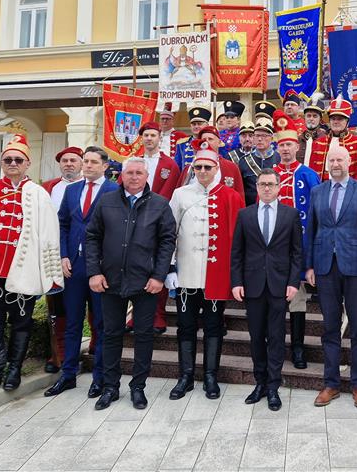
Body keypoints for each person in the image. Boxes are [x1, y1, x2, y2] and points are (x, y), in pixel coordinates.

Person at [0, 135, 63, 394]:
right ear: (2, 163)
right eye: (8, 160)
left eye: (18, 159)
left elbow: (48, 234)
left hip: (24, 271)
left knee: (22, 320)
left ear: (28, 163)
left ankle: (14, 369)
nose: (13, 163)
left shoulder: (38, 194)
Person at [85, 157, 175, 410]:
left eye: (139, 173)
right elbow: (92, 237)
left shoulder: (159, 204)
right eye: (130, 173)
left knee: (144, 336)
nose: (134, 177)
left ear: (147, 176)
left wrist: (159, 276)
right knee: (111, 334)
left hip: (146, 282)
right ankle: (111, 387)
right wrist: (94, 272)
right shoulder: (106, 202)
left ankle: (138, 387)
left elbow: (167, 242)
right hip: (110, 280)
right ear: (121, 175)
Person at [166, 141, 244, 400]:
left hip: (216, 276)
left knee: (213, 326)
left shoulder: (231, 196)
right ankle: (185, 376)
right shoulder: (180, 194)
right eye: (198, 167)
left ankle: (211, 375)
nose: (202, 171)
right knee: (185, 326)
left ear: (216, 167)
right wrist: (171, 267)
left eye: (207, 167)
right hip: (186, 274)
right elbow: (169, 233)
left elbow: (238, 240)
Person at [305, 145, 357, 409]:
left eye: (340, 159)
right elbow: (311, 231)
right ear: (327, 164)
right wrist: (309, 266)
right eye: (332, 159)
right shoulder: (317, 191)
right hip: (325, 266)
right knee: (330, 327)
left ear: (349, 162)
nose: (335, 163)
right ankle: (331, 384)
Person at [44, 146, 119, 399]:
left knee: (100, 323)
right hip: (73, 266)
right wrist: (63, 255)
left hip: (99, 269)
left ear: (105, 166)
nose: (87, 166)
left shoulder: (114, 191)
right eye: (85, 161)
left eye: (92, 162)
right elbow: (63, 223)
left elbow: (117, 232)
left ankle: (99, 377)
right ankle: (67, 375)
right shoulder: (72, 189)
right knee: (73, 322)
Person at [231, 169, 303, 410]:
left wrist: (294, 282)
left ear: (279, 186)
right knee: (256, 337)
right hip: (252, 285)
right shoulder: (245, 214)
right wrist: (236, 282)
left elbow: (296, 253)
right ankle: (259, 382)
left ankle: (274, 386)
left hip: (279, 285)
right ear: (258, 187)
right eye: (262, 184)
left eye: (271, 184)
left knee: (275, 336)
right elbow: (237, 252)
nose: (267, 188)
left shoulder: (290, 214)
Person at [272, 112, 321, 369]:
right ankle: (277, 347)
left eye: (289, 144)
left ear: (297, 146)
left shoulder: (309, 175)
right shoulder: (270, 175)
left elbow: (317, 214)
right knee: (277, 299)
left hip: (300, 247)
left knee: (298, 299)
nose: (285, 149)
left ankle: (298, 348)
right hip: (274, 249)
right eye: (281, 145)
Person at [128, 122, 181, 336]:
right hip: (133, 221)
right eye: (146, 135)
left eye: (153, 135)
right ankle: (135, 315)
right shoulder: (132, 162)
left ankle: (158, 314)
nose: (149, 138)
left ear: (160, 138)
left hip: (159, 221)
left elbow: (171, 193)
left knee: (160, 265)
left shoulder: (170, 165)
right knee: (134, 267)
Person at [41, 146, 84, 374]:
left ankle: (94, 349)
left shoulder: (92, 187)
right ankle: (59, 353)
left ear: (82, 163)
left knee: (92, 308)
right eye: (65, 160)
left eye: (73, 160)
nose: (69, 164)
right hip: (53, 255)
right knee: (57, 307)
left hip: (83, 256)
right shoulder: (49, 188)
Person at [308, 95, 357, 182]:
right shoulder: (318, 143)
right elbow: (312, 173)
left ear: (347, 122)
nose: (336, 122)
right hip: (322, 190)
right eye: (333, 119)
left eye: (340, 119)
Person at [177, 126, 245, 199]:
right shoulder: (189, 168)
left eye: (210, 139)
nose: (207, 142)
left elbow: (239, 197)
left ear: (219, 143)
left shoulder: (231, 167)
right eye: (204, 139)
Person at [238, 115, 280, 204]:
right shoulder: (244, 161)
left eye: (264, 136)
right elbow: (240, 190)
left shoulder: (279, 159)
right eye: (257, 135)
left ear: (272, 138)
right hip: (251, 208)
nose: (260, 139)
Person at [175, 105, 213, 172]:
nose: (196, 126)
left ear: (207, 125)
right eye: (194, 124)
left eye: (199, 124)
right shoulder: (182, 144)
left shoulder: (213, 142)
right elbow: (177, 168)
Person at [298, 94, 328, 166]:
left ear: (320, 119)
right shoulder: (298, 139)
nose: (311, 119)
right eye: (308, 116)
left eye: (315, 116)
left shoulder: (326, 140)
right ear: (304, 118)